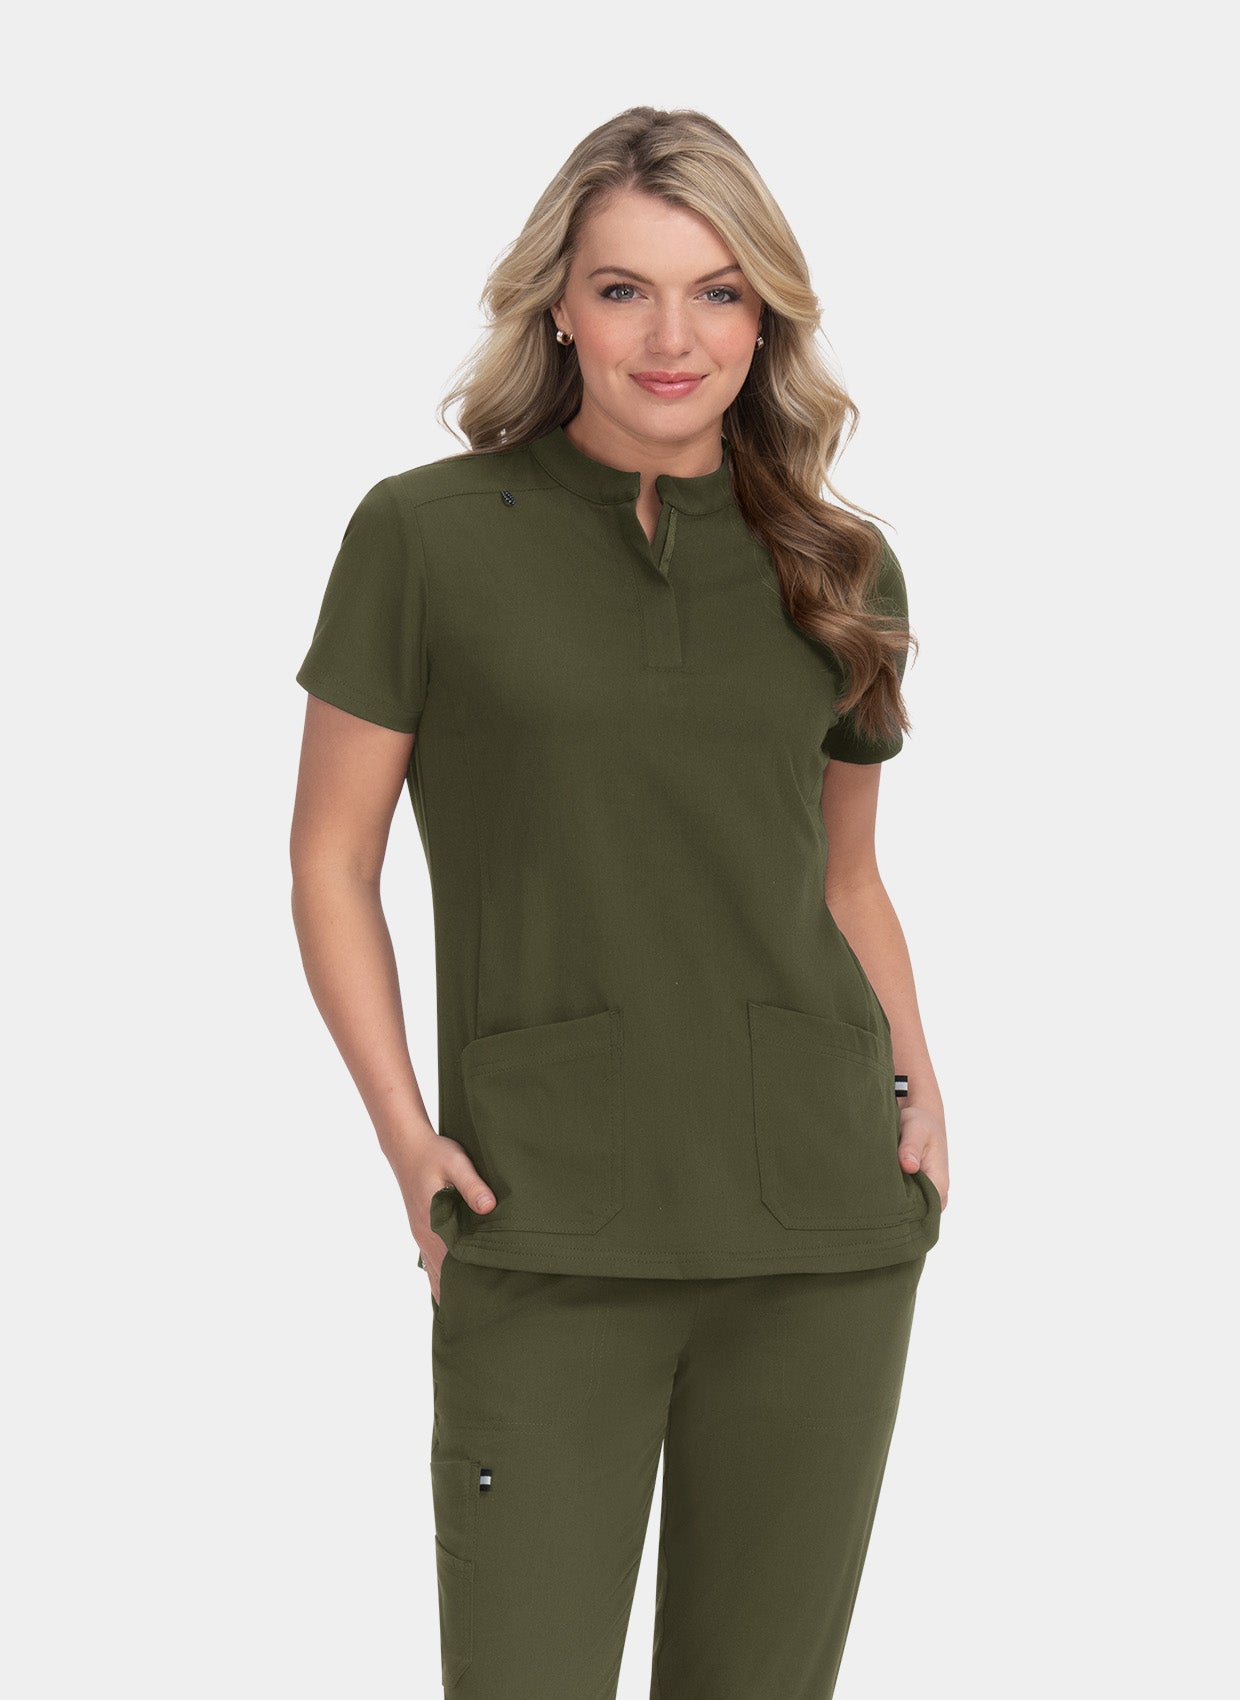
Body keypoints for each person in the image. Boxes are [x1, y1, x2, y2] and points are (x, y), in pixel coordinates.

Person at [290, 104, 950, 1700]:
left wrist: (921, 1094)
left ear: (765, 318)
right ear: (559, 309)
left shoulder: (841, 564)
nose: (674, 338)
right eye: (625, 290)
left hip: (820, 1226)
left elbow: (846, 874)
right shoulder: (423, 538)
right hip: (544, 1213)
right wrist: (406, 1140)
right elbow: (330, 863)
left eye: (718, 292)